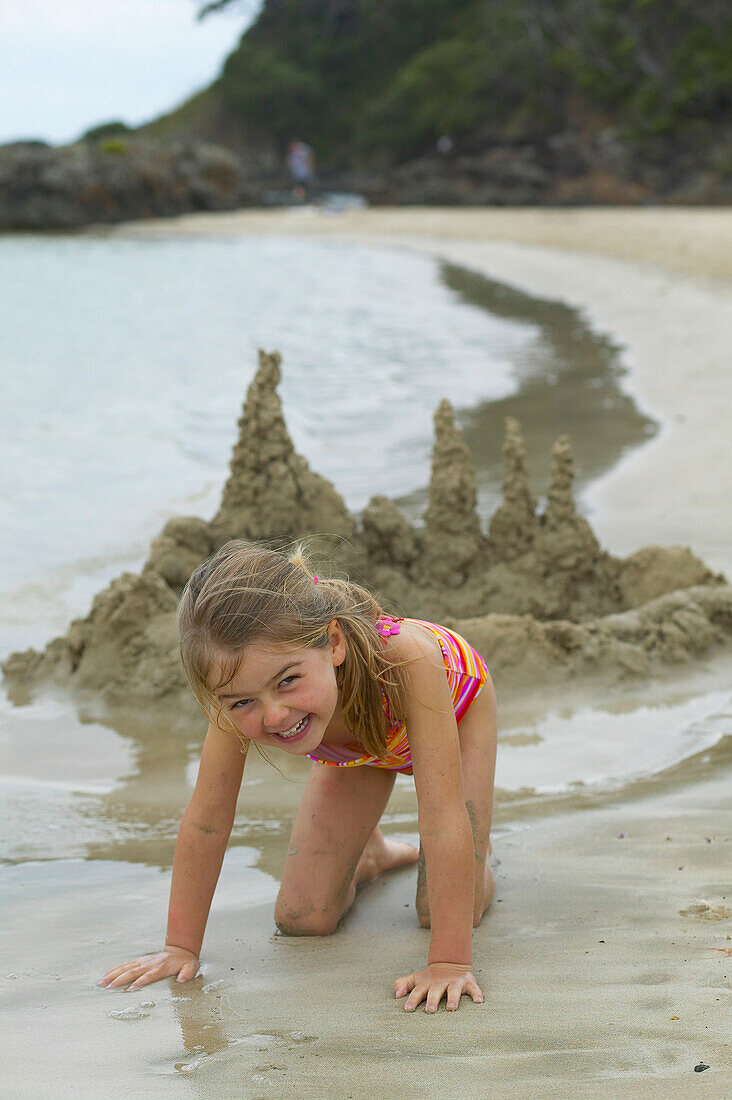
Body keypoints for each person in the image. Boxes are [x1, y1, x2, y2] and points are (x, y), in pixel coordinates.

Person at [98, 540, 497, 1013]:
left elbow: (442, 815)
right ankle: (370, 853)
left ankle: (479, 854)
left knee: (441, 912)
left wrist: (449, 964)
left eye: (287, 680)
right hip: (357, 750)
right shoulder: (234, 688)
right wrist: (180, 948)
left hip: (454, 713)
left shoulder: (410, 658)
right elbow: (206, 821)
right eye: (244, 702)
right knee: (303, 918)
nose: (275, 715)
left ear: (333, 643)